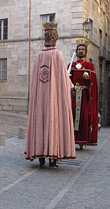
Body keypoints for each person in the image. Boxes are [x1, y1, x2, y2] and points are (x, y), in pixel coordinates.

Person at [25, 22, 76, 168]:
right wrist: (70, 84)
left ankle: (40, 155)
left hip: (40, 99)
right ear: (55, 38)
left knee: (40, 120)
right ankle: (52, 158)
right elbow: (63, 79)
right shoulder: (58, 55)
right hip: (54, 98)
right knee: (53, 121)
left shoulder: (39, 55)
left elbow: (37, 79)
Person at [67, 41, 99, 149]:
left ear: (85, 52)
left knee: (83, 118)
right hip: (73, 95)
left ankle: (82, 140)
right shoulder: (72, 65)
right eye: (79, 49)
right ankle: (71, 139)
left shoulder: (89, 65)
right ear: (76, 52)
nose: (80, 51)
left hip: (84, 96)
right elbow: (67, 79)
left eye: (82, 50)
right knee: (71, 117)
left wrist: (89, 78)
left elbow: (94, 81)